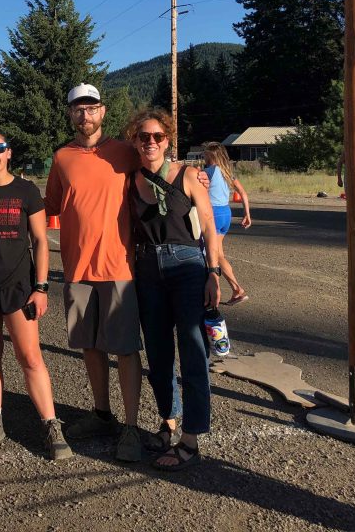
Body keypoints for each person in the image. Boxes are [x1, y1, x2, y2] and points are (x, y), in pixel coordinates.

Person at [44, 83, 145, 462]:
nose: (84, 115)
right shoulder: (62, 158)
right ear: (70, 114)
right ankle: (103, 413)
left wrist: (194, 177)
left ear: (103, 112)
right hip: (77, 268)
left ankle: (132, 427)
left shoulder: (125, 153)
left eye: (91, 108)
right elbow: (50, 204)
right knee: (89, 345)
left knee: (125, 348)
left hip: (119, 266)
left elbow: (158, 174)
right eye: (77, 109)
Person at [0, 130, 72, 461]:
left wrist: (41, 288)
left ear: (8, 152)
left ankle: (51, 424)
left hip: (19, 286)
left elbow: (40, 241)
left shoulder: (26, 190)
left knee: (30, 357)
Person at [126, 108, 221, 471]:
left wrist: (213, 272)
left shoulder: (188, 176)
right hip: (147, 268)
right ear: (134, 141)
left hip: (187, 266)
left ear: (168, 140)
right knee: (159, 354)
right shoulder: (130, 179)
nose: (151, 142)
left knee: (194, 351)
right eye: (143, 137)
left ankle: (191, 437)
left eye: (158, 137)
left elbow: (210, 227)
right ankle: (168, 420)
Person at [202, 142, 250, 305]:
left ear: (211, 155)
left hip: (213, 214)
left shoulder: (207, 172)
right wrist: (247, 214)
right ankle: (235, 290)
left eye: (205, 154)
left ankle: (237, 289)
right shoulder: (227, 172)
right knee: (218, 253)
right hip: (225, 214)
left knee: (215, 255)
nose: (204, 157)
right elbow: (242, 192)